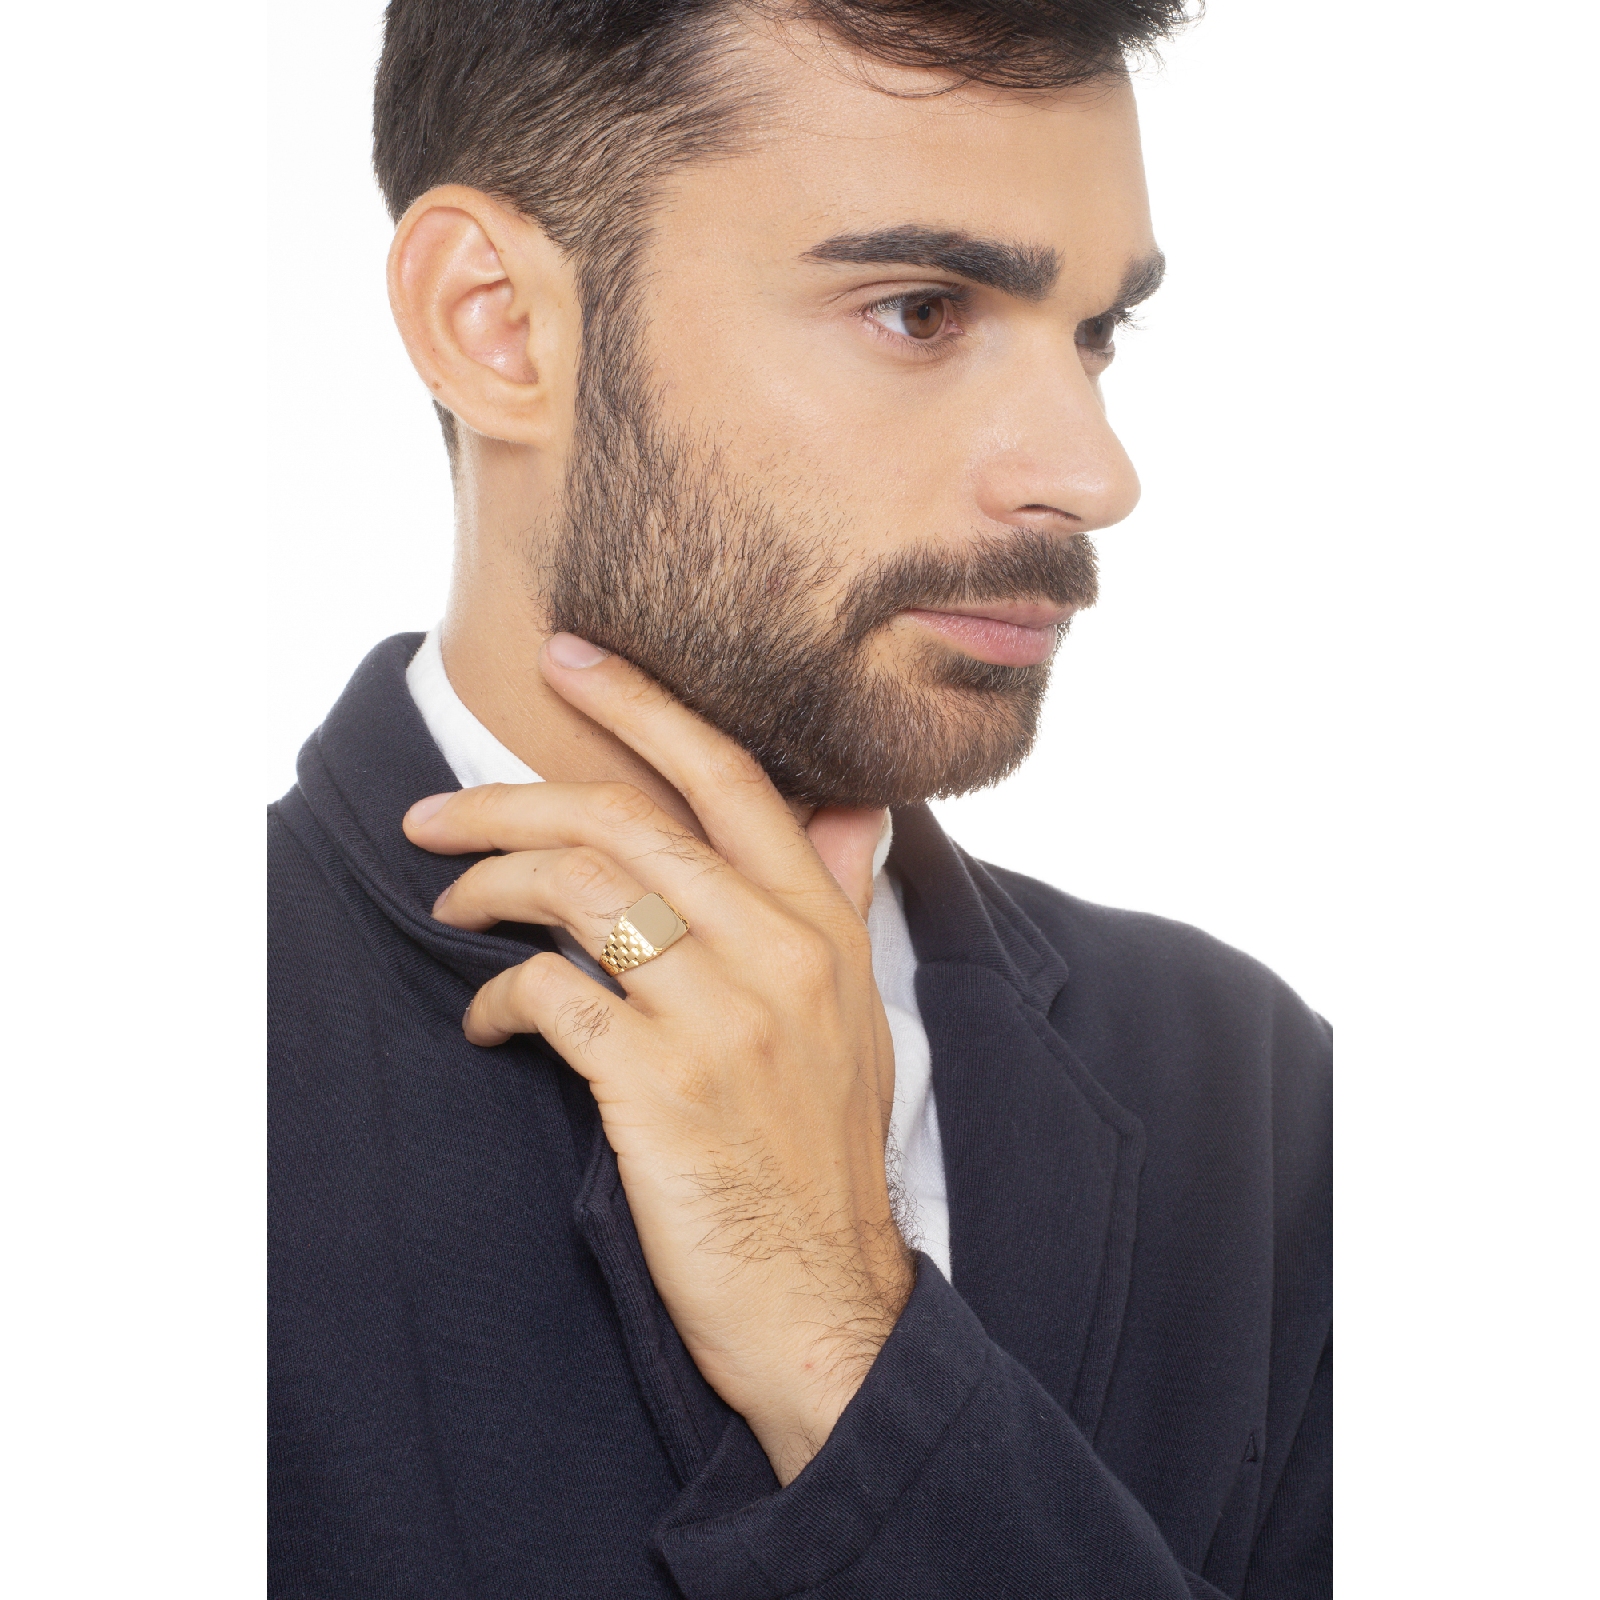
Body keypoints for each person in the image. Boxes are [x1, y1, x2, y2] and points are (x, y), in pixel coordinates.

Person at [269, 1, 1332, 1594]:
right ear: (497, 324)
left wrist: (842, 1333)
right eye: (920, 310)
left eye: (1097, 330)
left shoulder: (1241, 1089)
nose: (1093, 474)